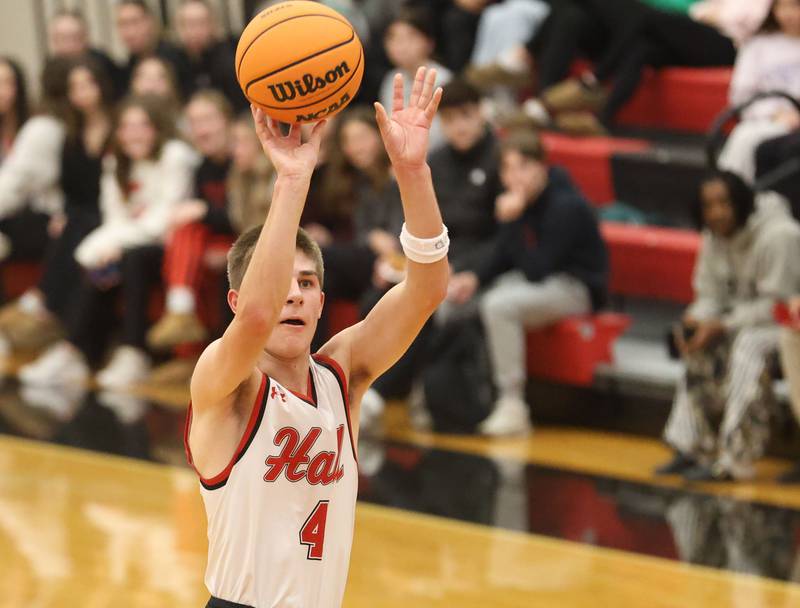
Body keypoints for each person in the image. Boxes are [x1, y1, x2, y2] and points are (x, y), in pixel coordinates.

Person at [185, 67, 448, 608]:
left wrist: (413, 173)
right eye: (281, 283)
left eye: (307, 284)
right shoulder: (224, 382)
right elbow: (256, 318)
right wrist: (292, 180)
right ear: (234, 304)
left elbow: (426, 289)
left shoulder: (340, 374)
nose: (294, 295)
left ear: (321, 302)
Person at [17, 95, 198, 388]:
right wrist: (101, 250)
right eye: (127, 126)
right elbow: (114, 217)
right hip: (129, 244)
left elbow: (162, 220)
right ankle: (76, 352)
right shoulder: (116, 162)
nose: (134, 133)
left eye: (143, 125)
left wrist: (111, 246)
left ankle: (132, 353)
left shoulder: (175, 155)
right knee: (101, 268)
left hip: (169, 246)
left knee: (127, 258)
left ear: (157, 128)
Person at [447, 130, 608, 436]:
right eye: (507, 169)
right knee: (457, 298)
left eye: (523, 166)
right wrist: (475, 278)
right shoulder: (523, 202)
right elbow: (506, 254)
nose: (514, 176)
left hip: (577, 287)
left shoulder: (566, 205)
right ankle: (445, 396)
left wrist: (510, 221)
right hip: (539, 280)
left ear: (541, 167)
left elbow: (537, 269)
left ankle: (512, 403)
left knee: (500, 305)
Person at [656, 171, 800, 481]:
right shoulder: (713, 235)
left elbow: (779, 305)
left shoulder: (780, 234)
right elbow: (709, 294)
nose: (717, 212)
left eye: (724, 203)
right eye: (708, 206)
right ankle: (691, 446)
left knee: (747, 345)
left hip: (784, 326)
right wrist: (696, 319)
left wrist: (722, 324)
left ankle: (736, 458)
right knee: (697, 340)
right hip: (742, 322)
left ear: (742, 202)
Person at [0, 56, 114, 353]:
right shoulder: (72, 134)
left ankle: (44, 304)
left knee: (77, 227)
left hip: (111, 213)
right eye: (75, 87)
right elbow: (70, 189)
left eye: (88, 84)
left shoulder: (115, 126)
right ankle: (46, 311)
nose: (82, 93)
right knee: (69, 225)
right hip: (81, 213)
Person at [147, 90, 236, 354]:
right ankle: (187, 350)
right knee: (183, 234)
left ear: (227, 121)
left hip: (249, 239)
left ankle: (180, 312)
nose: (201, 129)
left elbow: (250, 216)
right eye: (194, 122)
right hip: (216, 239)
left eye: (207, 119)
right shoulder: (202, 167)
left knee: (188, 227)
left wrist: (203, 210)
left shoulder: (245, 157)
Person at [717, 0, 800, 184]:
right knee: (745, 137)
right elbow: (741, 95)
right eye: (782, 6)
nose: (789, 14)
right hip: (762, 122)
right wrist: (772, 114)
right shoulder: (757, 45)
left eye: (796, 6)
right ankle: (733, 194)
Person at [379, 8, 452, 152]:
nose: (401, 45)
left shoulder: (444, 79)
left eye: (410, 37)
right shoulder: (390, 81)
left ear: (430, 42)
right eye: (393, 38)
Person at [174, 0, 246, 111]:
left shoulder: (229, 57)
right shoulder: (174, 59)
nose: (195, 31)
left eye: (201, 23)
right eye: (189, 24)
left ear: (213, 24)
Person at [116, 0, 192, 97]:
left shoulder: (175, 57)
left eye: (135, 22)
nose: (130, 32)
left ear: (150, 21)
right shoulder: (129, 64)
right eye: (123, 24)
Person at [47, 9, 122, 97]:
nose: (69, 45)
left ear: (85, 38)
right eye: (62, 39)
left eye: (74, 38)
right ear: (54, 41)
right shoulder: (50, 69)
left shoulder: (103, 64)